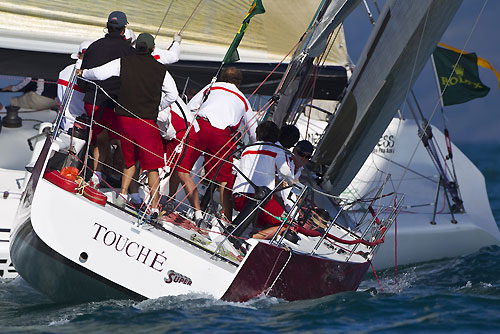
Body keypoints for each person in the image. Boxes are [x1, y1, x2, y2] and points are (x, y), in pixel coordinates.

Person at [78, 32, 178, 213]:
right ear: (153, 49)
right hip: (146, 121)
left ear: (135, 47)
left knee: (129, 158)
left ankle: (123, 195)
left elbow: (99, 73)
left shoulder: (124, 62)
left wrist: (83, 72)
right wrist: (157, 107)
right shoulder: (160, 69)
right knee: (152, 166)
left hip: (124, 119)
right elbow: (173, 95)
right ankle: (154, 207)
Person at [186, 67, 257, 222]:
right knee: (223, 178)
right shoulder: (243, 100)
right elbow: (253, 131)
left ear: (222, 77)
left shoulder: (211, 87)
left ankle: (169, 201)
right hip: (221, 136)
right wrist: (254, 150)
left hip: (200, 126)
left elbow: (190, 107)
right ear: (239, 83)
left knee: (182, 166)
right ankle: (226, 220)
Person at [79, 10, 136, 187]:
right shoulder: (129, 51)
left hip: (93, 103)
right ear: (123, 29)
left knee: (101, 140)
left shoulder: (94, 46)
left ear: (107, 26)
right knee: (120, 141)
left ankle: (96, 176)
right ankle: (117, 180)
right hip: (113, 105)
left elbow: (83, 79)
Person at [232, 121, 296, 237]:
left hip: (238, 199)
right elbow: (285, 171)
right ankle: (251, 238)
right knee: (286, 224)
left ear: (257, 135)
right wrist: (291, 182)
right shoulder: (277, 151)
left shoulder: (247, 149)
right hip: (259, 201)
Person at [157, 97, 203, 220]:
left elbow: (162, 115)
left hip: (185, 131)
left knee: (182, 172)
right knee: (166, 164)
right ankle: (169, 200)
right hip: (169, 131)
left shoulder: (160, 90)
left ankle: (198, 216)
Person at [57, 40, 93, 131]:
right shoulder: (90, 73)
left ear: (78, 55)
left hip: (63, 122)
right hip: (80, 126)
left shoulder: (65, 70)